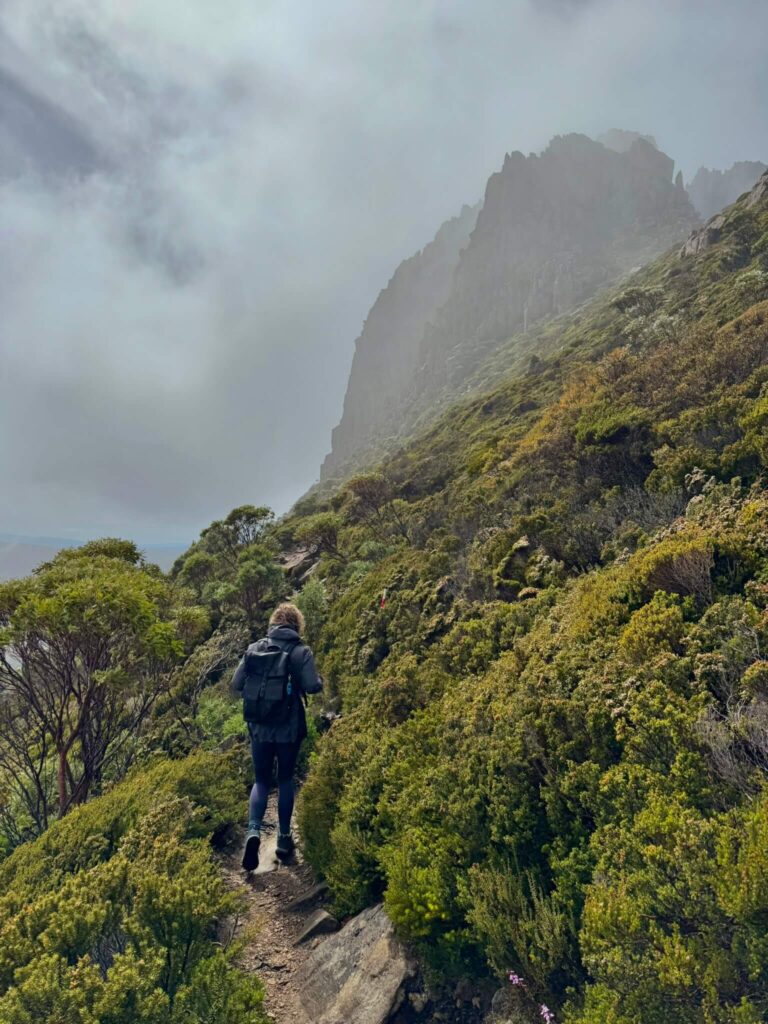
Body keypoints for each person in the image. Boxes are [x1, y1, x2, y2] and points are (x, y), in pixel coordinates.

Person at [231, 602, 323, 871]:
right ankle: (283, 838)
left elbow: (236, 684)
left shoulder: (255, 648)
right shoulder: (300, 651)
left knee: (261, 781)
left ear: (273, 623)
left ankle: (253, 831)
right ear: (297, 625)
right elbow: (312, 686)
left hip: (259, 727)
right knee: (284, 779)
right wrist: (320, 681)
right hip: (288, 729)